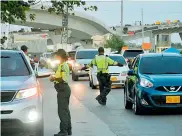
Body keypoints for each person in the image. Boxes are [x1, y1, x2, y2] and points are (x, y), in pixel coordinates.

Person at [49, 49, 72, 136]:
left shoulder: (64, 66)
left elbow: (63, 79)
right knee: (65, 111)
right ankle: (68, 130)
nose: (56, 57)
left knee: (62, 111)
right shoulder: (61, 65)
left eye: (57, 55)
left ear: (60, 56)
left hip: (63, 90)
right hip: (62, 89)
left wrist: (54, 78)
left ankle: (64, 131)